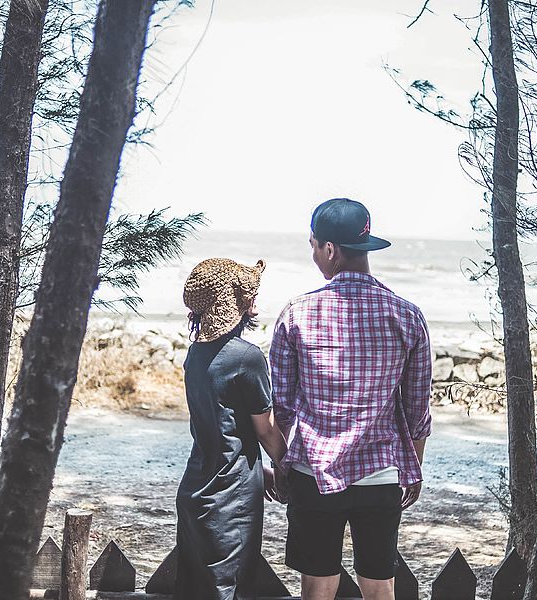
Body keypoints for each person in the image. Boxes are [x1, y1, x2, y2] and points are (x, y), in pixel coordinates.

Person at [270, 198, 433, 600]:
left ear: (329, 249)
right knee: (380, 589)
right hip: (380, 474)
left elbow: (283, 407)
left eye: (313, 246)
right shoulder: (407, 315)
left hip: (314, 474)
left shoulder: (296, 314)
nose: (314, 255)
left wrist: (280, 463)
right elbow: (417, 410)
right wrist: (412, 468)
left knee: (317, 588)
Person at [175, 258, 287, 600]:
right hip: (231, 498)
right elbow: (265, 431)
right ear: (240, 304)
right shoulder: (246, 357)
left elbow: (223, 426)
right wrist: (288, 468)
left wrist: (255, 470)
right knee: (231, 591)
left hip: (196, 488)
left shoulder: (196, 354)